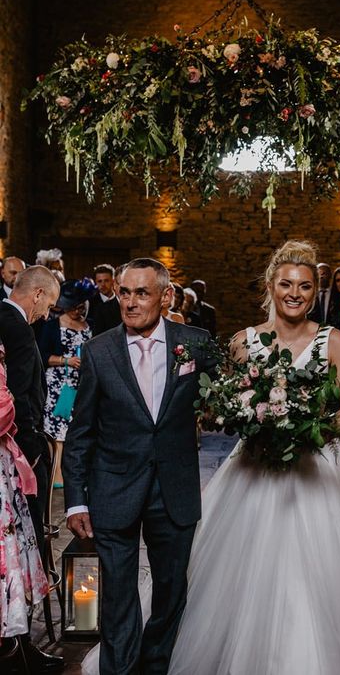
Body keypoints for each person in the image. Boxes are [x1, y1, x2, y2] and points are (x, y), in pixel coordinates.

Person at [166, 241, 340, 674]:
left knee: (316, 577)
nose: (295, 293)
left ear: (314, 290)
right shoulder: (244, 342)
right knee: (246, 575)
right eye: (286, 284)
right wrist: (240, 415)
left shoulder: (332, 340)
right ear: (271, 285)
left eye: (305, 286)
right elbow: (221, 408)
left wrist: (311, 428)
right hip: (254, 471)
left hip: (314, 473)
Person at [63, 258, 216, 675]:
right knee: (117, 593)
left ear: (165, 296)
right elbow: (81, 432)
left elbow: (225, 402)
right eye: (124, 293)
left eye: (141, 293)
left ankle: (155, 665)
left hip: (175, 486)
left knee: (171, 590)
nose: (130, 302)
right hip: (113, 487)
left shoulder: (196, 343)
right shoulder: (99, 350)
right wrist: (76, 501)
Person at [0, 267, 63, 672]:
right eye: (50, 305)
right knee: (22, 548)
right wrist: (32, 452)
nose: (47, 314)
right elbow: (19, 396)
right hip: (15, 455)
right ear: (37, 294)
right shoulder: (17, 327)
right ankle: (19, 647)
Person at [38, 279, 96, 488]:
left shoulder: (91, 326)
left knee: (76, 429)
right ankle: (56, 475)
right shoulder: (52, 325)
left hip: (81, 384)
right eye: (74, 307)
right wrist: (66, 360)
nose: (78, 311)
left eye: (82, 307)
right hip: (57, 384)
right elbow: (42, 356)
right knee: (56, 430)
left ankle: (76, 473)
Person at [90, 264, 122, 336]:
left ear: (113, 281)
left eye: (106, 281)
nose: (103, 285)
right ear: (95, 282)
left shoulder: (122, 301)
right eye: (99, 281)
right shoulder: (90, 303)